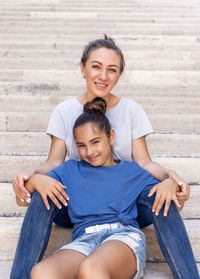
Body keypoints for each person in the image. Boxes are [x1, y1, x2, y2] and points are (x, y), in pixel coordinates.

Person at [11, 35, 198, 279]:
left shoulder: (131, 110)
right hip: (80, 202)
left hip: (126, 203)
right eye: (96, 66)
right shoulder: (65, 111)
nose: (103, 76)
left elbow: (144, 162)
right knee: (42, 194)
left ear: (120, 74)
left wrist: (171, 178)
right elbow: (54, 162)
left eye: (112, 70)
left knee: (160, 197)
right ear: (83, 68)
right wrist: (32, 177)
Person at [29, 97, 181, 279]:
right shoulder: (69, 170)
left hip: (122, 237)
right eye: (82, 146)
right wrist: (36, 179)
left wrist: (170, 181)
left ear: (111, 137)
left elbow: (172, 202)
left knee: (90, 268)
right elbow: (25, 194)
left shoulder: (131, 170)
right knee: (41, 272)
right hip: (83, 240)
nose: (90, 152)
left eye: (95, 142)